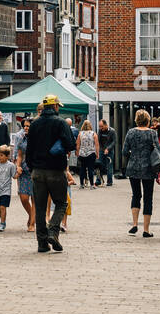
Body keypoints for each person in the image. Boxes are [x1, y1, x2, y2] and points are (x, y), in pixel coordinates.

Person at [24, 95, 76, 252]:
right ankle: (53, 230)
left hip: (38, 171)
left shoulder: (34, 124)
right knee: (61, 203)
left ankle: (42, 244)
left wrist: (32, 167)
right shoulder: (60, 123)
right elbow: (70, 144)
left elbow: (29, 149)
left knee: (39, 207)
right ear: (55, 107)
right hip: (56, 170)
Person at [122, 110, 160, 238]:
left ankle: (134, 224)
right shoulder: (152, 133)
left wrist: (133, 155)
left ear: (136, 120)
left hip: (133, 167)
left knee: (136, 195)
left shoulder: (131, 132)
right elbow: (158, 151)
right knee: (148, 197)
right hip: (149, 168)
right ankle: (146, 229)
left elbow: (124, 151)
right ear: (148, 120)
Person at [13, 116, 35, 231]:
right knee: (24, 198)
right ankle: (32, 216)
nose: (25, 128)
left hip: (36, 170)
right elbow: (20, 154)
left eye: (28, 126)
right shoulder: (22, 138)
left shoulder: (38, 138)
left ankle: (32, 224)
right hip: (24, 170)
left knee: (35, 198)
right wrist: (18, 166)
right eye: (24, 126)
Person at [76, 120, 98, 189]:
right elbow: (97, 145)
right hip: (91, 153)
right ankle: (92, 185)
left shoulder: (80, 134)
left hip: (82, 154)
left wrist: (77, 153)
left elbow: (78, 145)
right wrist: (97, 153)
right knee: (90, 169)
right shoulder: (93, 134)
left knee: (82, 169)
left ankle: (82, 184)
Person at [97, 119, 116, 186]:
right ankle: (98, 180)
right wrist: (99, 149)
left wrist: (108, 148)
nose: (100, 128)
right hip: (101, 151)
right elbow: (98, 140)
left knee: (109, 166)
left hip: (110, 151)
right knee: (99, 166)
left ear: (106, 125)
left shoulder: (112, 131)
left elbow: (114, 142)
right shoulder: (100, 131)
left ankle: (109, 181)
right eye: (99, 126)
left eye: (101, 126)